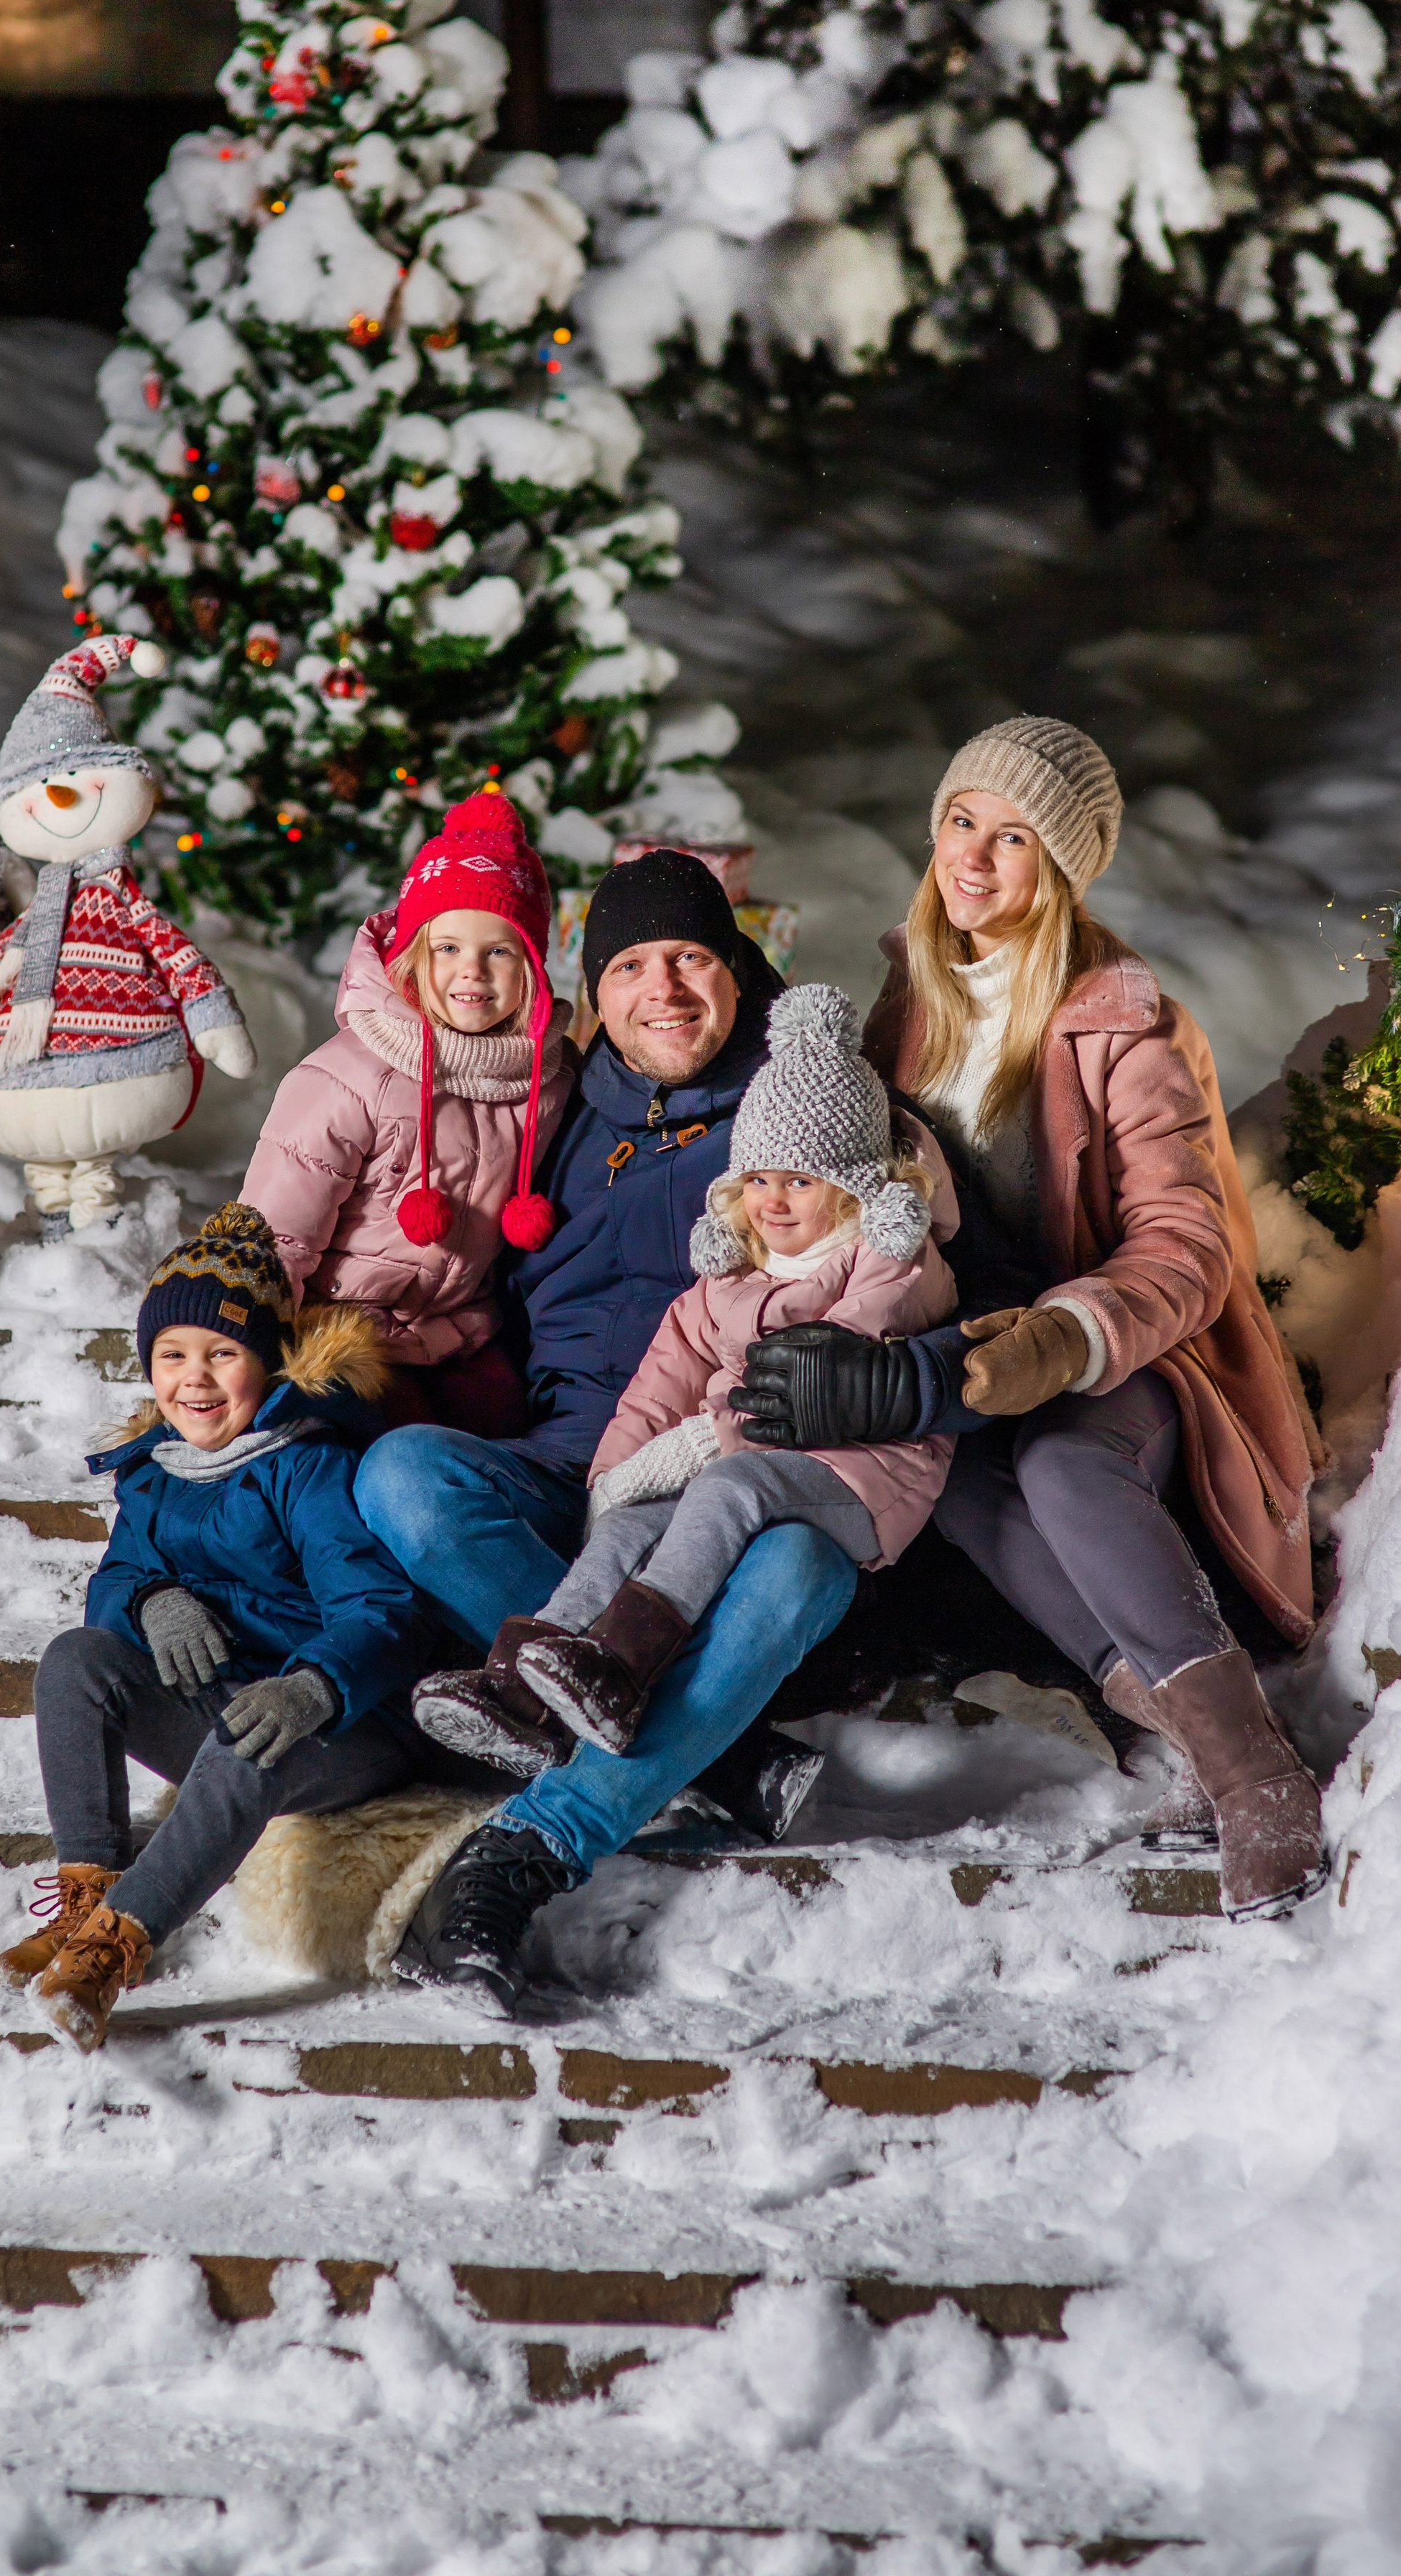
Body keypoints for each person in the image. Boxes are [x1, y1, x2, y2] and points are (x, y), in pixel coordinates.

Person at [364, 853, 1029, 2015]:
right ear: (590, 991)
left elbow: (991, 1328)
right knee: (404, 1476)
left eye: (691, 958)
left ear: (739, 970)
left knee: (790, 1561)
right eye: (628, 966)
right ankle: (715, 1749)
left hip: (783, 1477)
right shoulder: (556, 1113)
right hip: (598, 1467)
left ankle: (519, 1858)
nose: (662, 991)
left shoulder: (835, 1121)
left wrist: (880, 1385)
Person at [734, 716, 1326, 1922]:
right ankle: (1156, 1706)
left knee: (1061, 1461)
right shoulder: (906, 1003)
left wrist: (1069, 1333)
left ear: (1061, 871)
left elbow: (1188, 1246)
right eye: (963, 822)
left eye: (1015, 841)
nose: (976, 860)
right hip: (955, 1348)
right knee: (940, 1471)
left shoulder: (1126, 1022)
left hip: (1125, 1353)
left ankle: (1257, 1770)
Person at [412, 984, 956, 1768]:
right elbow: (662, 1379)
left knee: (725, 1489)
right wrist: (614, 1478)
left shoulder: (889, 1261)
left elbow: (807, 1389)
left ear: (852, 1186)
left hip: (861, 1475)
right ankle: (522, 1686)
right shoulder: (731, 1271)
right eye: (760, 1179)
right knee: (633, 1524)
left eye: (799, 1182)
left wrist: (710, 1437)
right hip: (744, 1463)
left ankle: (620, 1670)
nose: (772, 1200)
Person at [0, 1201, 443, 2049]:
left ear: (265, 1366)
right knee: (74, 1660)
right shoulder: (154, 1473)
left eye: (221, 1355)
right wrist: (153, 1600)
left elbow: (383, 1610)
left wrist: (311, 1688)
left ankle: (116, 1950)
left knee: (248, 1743)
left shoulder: (308, 1465)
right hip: (220, 1700)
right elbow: (116, 1582)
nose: (193, 1379)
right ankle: (86, 1898)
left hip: (337, 1722)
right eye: (172, 1356)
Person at [239, 791, 575, 1435]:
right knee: (389, 1450)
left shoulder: (548, 1077)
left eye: (499, 951)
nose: (471, 971)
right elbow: (277, 1237)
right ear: (413, 956)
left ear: (532, 965)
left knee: (509, 1438)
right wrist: (251, 1348)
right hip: (339, 1330)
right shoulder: (349, 1077)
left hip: (461, 1333)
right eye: (447, 948)